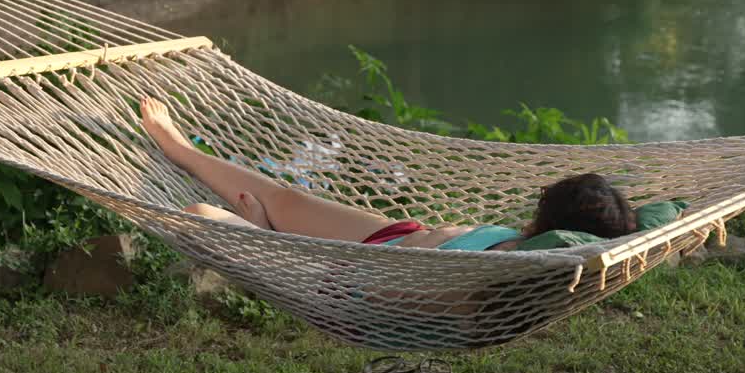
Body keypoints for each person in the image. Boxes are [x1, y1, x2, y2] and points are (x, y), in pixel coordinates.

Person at [140, 97, 636, 251]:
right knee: (277, 191)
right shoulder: (525, 247)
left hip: (362, 270)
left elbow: (405, 300)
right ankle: (180, 148)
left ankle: (261, 234)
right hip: (394, 237)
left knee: (199, 213)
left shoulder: (517, 271)